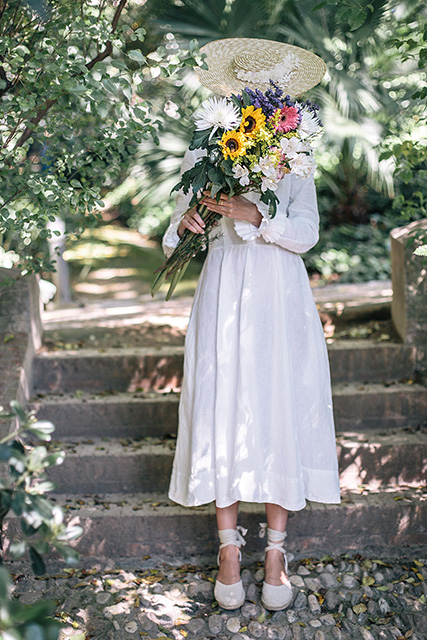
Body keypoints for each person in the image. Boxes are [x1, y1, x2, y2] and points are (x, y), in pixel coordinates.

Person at [161, 37, 341, 611]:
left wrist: (257, 213)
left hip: (278, 291)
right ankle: (229, 548)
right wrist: (188, 219)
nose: (256, 93)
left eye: (268, 84)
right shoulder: (207, 146)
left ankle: (276, 551)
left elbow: (307, 232)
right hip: (224, 284)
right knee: (223, 400)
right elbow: (176, 230)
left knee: (277, 401)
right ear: (232, 87)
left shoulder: (296, 151)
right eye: (247, 82)